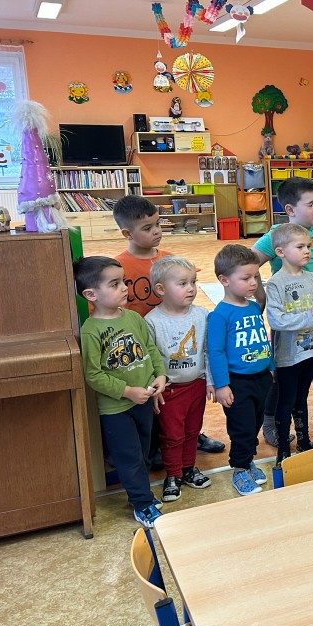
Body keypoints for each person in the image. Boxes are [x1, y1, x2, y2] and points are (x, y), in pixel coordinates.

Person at [112, 196, 224, 458]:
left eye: (158, 224)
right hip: (141, 345)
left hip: (175, 340)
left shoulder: (170, 259)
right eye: (147, 228)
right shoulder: (119, 267)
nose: (157, 231)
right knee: (155, 399)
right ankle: (157, 443)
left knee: (186, 398)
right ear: (127, 233)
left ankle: (192, 435)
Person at [74, 256, 166, 527]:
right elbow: (93, 375)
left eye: (123, 281)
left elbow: (150, 349)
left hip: (144, 400)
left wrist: (160, 375)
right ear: (91, 295)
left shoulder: (134, 317)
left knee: (145, 452)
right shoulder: (90, 331)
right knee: (130, 457)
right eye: (114, 284)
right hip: (116, 409)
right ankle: (143, 504)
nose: (125, 287)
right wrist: (127, 391)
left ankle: (140, 493)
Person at [253, 177, 313, 442]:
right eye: (310, 204)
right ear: (290, 209)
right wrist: (262, 298)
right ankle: (270, 422)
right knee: (283, 372)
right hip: (290, 319)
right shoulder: (276, 236)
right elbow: (249, 263)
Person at [264, 224, 313, 464]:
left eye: (308, 246)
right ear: (280, 252)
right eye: (300, 247)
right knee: (286, 400)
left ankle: (304, 440)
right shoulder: (275, 284)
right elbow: (276, 319)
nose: (307, 251)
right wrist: (309, 315)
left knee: (301, 398)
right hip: (288, 355)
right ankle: (283, 448)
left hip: (311, 351)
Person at [145, 256, 213, 503]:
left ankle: (188, 468)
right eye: (183, 283)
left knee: (192, 431)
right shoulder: (152, 321)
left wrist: (210, 381)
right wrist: (155, 388)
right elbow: (150, 358)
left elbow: (208, 351)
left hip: (197, 386)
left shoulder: (203, 315)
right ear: (161, 289)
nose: (191, 288)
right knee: (172, 435)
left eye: (193, 282)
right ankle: (173, 474)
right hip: (170, 391)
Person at [207, 245, 273, 497]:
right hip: (237, 382)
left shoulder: (254, 307)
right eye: (246, 278)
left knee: (255, 422)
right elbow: (216, 352)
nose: (253, 282)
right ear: (224, 280)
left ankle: (248, 460)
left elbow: (262, 340)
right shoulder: (220, 315)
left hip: (261, 378)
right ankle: (239, 469)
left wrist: (271, 367)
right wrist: (222, 385)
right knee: (242, 427)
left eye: (255, 276)